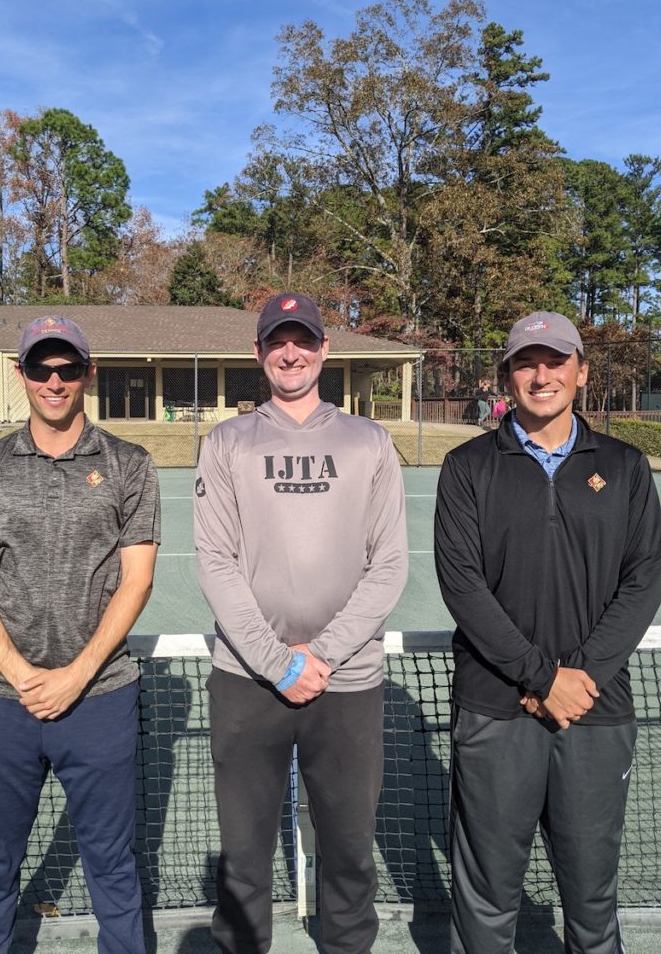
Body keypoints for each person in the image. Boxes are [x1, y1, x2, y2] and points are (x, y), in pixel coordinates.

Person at [434, 311, 661, 954]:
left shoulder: (625, 466)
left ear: (582, 372)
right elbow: (464, 588)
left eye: (556, 361)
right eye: (527, 362)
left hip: (596, 710)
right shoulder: (466, 468)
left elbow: (643, 581)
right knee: (485, 906)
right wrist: (540, 679)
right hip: (496, 711)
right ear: (507, 376)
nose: (542, 375)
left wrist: (577, 680)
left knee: (592, 905)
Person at [0, 315, 160, 954]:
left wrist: (75, 676)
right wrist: (22, 676)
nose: (54, 381)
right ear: (22, 375)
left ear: (88, 374)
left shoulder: (129, 465)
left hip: (100, 700)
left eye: (67, 368)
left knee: (112, 869)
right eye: (41, 368)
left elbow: (136, 582)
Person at [193, 293, 408, 954]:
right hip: (247, 686)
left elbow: (391, 564)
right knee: (244, 866)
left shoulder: (369, 441)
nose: (291, 353)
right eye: (278, 341)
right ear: (259, 353)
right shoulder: (227, 442)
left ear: (324, 350)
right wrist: (278, 661)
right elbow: (216, 563)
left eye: (304, 340)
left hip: (346, 686)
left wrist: (322, 655)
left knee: (348, 859)